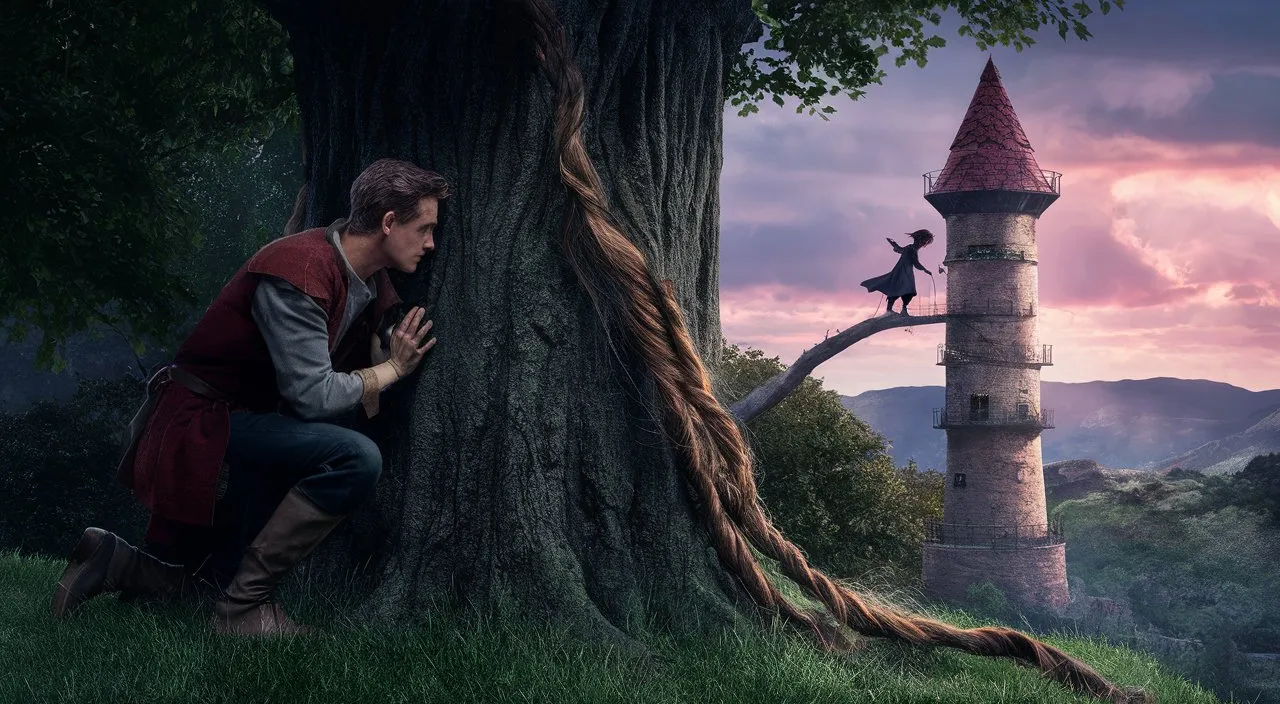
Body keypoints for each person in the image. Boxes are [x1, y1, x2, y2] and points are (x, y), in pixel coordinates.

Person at [51, 158, 451, 637]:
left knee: (201, 584)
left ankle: (112, 558)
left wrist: (387, 332)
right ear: (388, 223)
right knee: (354, 456)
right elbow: (311, 396)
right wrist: (392, 369)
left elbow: (377, 313)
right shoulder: (297, 271)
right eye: (424, 229)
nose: (431, 244)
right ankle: (244, 608)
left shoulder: (361, 271)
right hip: (203, 425)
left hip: (248, 423)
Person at [860, 228, 937, 315]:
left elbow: (899, 249)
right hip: (901, 272)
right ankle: (891, 310)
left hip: (906, 272)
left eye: (924, 243)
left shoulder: (911, 248)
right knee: (902, 290)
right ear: (919, 241)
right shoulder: (911, 249)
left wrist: (894, 244)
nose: (923, 244)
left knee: (908, 291)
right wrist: (925, 269)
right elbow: (916, 263)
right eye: (923, 242)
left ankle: (901, 309)